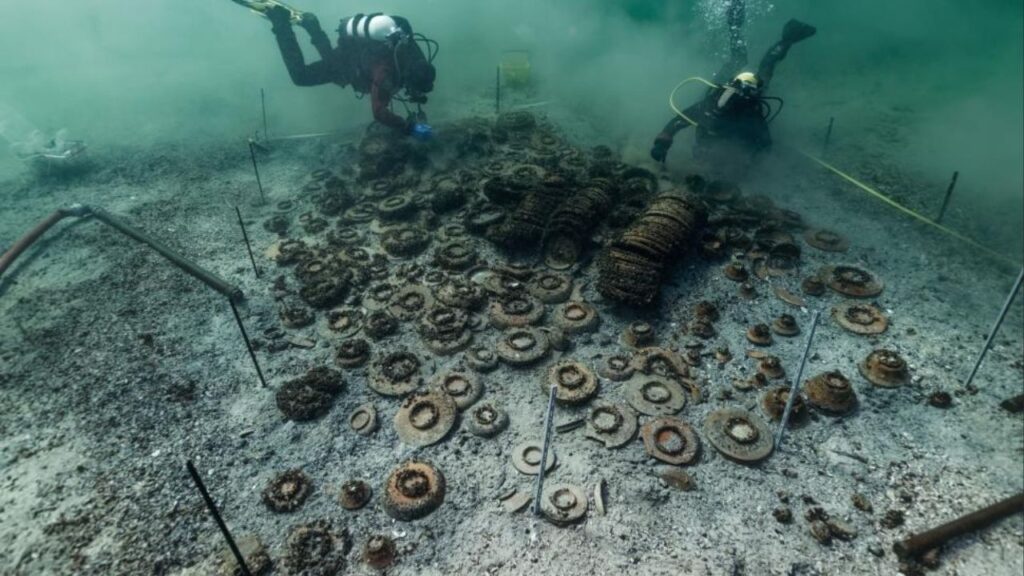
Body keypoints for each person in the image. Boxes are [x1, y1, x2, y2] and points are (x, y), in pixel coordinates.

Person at [651, 1, 815, 170]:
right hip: (731, 87)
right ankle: (739, 24)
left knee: (750, 62)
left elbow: (765, 145)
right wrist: (662, 142)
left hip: (747, 93)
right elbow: (678, 122)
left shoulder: (749, 114)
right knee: (754, 63)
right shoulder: (715, 104)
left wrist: (750, 163)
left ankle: (773, 35)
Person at [266, 6, 437, 138]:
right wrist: (409, 128)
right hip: (350, 64)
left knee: (332, 61)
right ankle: (281, 24)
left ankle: (313, 27)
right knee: (301, 77)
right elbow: (379, 112)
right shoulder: (386, 72)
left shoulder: (411, 53)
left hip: (352, 56)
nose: (414, 93)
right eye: (415, 89)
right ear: (409, 78)